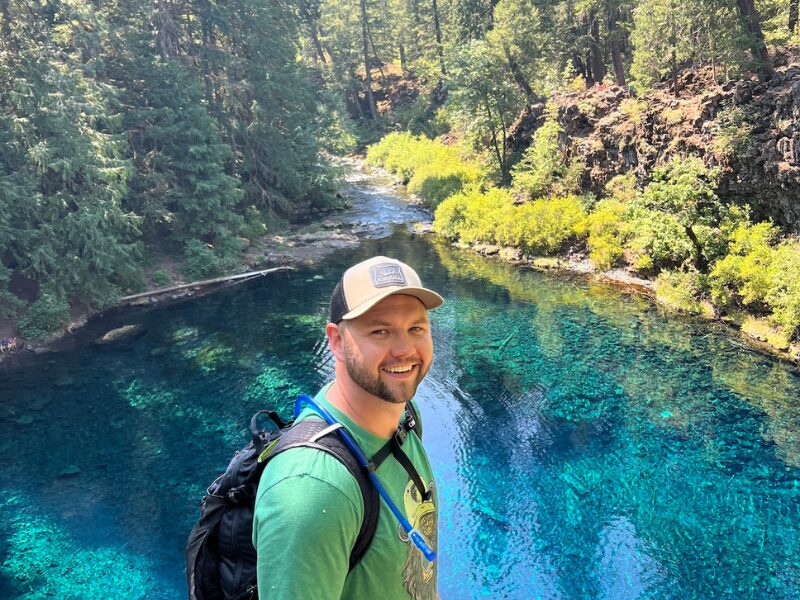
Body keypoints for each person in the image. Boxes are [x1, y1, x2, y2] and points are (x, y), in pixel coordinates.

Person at [252, 256, 444, 600]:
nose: (404, 349)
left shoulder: (405, 419)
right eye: (380, 331)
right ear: (337, 341)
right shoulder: (312, 489)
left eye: (416, 328)